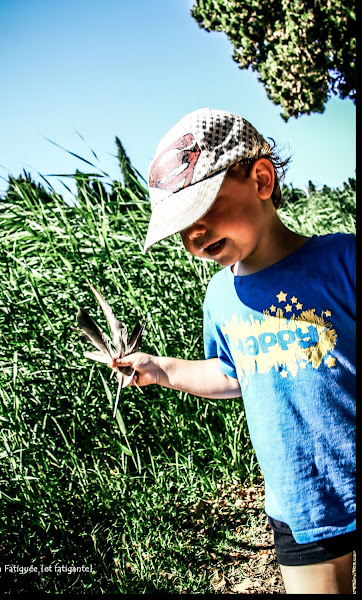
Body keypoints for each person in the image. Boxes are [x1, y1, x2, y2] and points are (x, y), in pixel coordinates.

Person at [110, 108, 356, 594]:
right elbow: (233, 372)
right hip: (302, 499)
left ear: (260, 179)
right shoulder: (221, 298)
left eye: (199, 213)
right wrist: (160, 368)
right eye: (180, 228)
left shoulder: (343, 260)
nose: (192, 237)